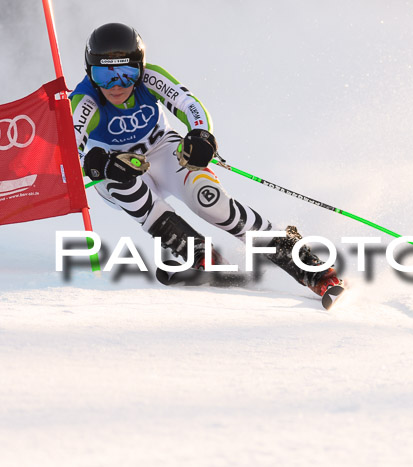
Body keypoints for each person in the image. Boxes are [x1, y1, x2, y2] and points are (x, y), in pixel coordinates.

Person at [71, 22, 342, 297]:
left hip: (162, 148)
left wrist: (201, 135)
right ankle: (201, 256)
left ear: (140, 69)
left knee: (210, 200)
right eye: (104, 76)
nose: (116, 86)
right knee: (126, 188)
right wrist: (100, 164)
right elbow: (69, 152)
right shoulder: (85, 99)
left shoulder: (150, 78)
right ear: (89, 73)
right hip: (117, 164)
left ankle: (307, 265)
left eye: (127, 74)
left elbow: (189, 104)